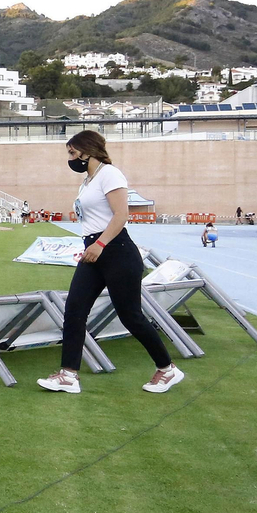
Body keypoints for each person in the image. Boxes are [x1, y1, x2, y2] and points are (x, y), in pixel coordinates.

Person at [37, 131, 183, 395]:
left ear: (88, 151)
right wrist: (92, 246)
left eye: (72, 153)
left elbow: (121, 214)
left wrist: (100, 244)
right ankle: (68, 375)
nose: (70, 159)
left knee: (131, 316)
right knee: (74, 310)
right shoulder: (87, 181)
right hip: (92, 251)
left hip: (116, 250)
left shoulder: (110, 174)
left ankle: (167, 369)